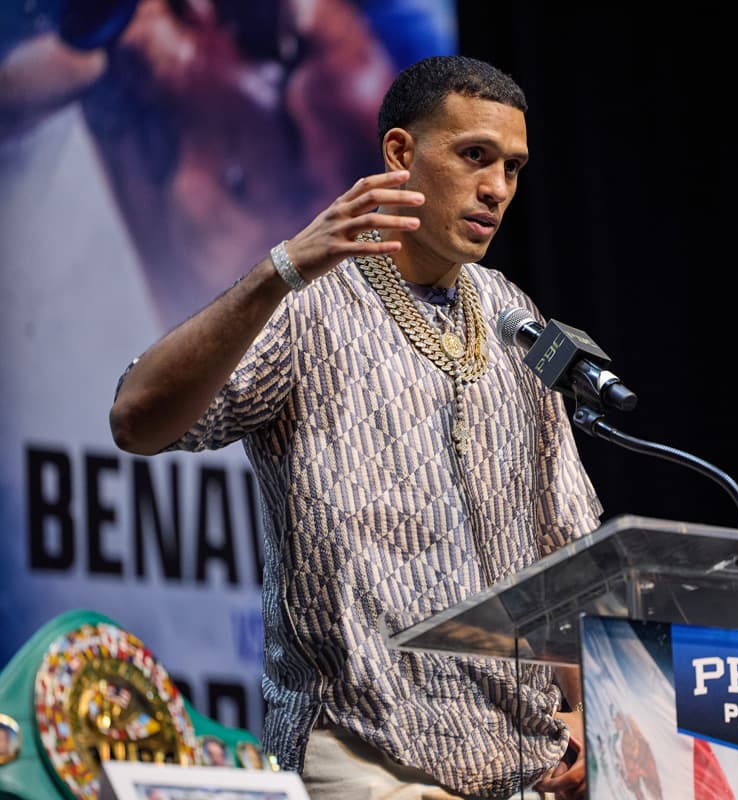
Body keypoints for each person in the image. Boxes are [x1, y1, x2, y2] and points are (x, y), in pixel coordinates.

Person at [109, 54, 597, 800]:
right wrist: (278, 273)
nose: (497, 189)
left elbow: (567, 545)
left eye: (513, 167)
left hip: (523, 766)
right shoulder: (309, 301)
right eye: (474, 157)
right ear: (401, 154)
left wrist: (595, 708)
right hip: (367, 758)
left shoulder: (513, 318)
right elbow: (136, 422)